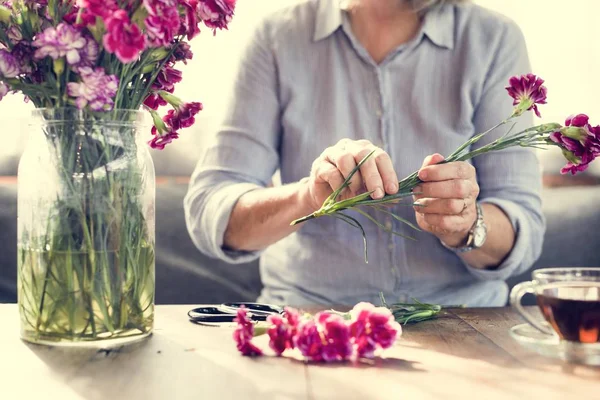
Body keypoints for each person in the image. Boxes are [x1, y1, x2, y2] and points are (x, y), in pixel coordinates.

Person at [184, 0, 545, 307]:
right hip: (309, 320)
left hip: (463, 321)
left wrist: (467, 223)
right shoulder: (278, 38)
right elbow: (211, 210)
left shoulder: (493, 39)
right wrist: (309, 196)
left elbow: (523, 229)